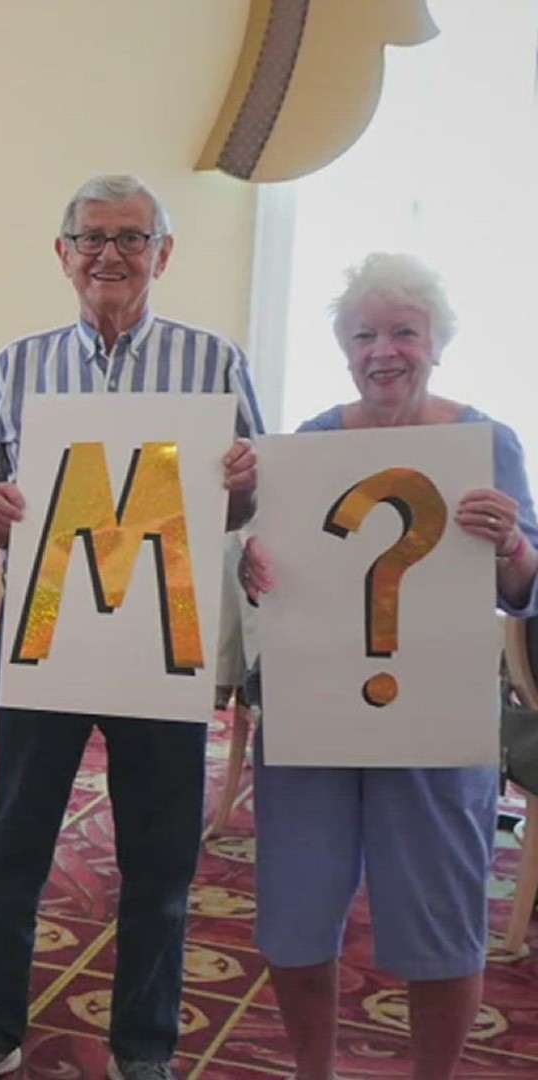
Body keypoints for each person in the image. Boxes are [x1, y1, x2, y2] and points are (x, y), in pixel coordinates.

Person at [0, 174, 263, 1080]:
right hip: (45, 638)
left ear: (163, 253)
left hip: (163, 644)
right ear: (62, 253)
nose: (109, 255)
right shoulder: (15, 365)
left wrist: (244, 486)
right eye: (92, 238)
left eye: (130, 237)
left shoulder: (217, 364)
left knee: (158, 858)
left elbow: (245, 510)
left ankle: (143, 1046)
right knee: (12, 849)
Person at [239, 252, 535, 1080]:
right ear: (343, 347)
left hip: (433, 716)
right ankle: (313, 1072)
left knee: (439, 918)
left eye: (404, 332)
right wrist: (252, 569)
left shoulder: (489, 443)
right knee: (296, 913)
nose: (384, 351)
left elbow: (524, 586)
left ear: (436, 341)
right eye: (364, 334)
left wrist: (511, 540)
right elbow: (276, 570)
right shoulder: (311, 443)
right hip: (316, 708)